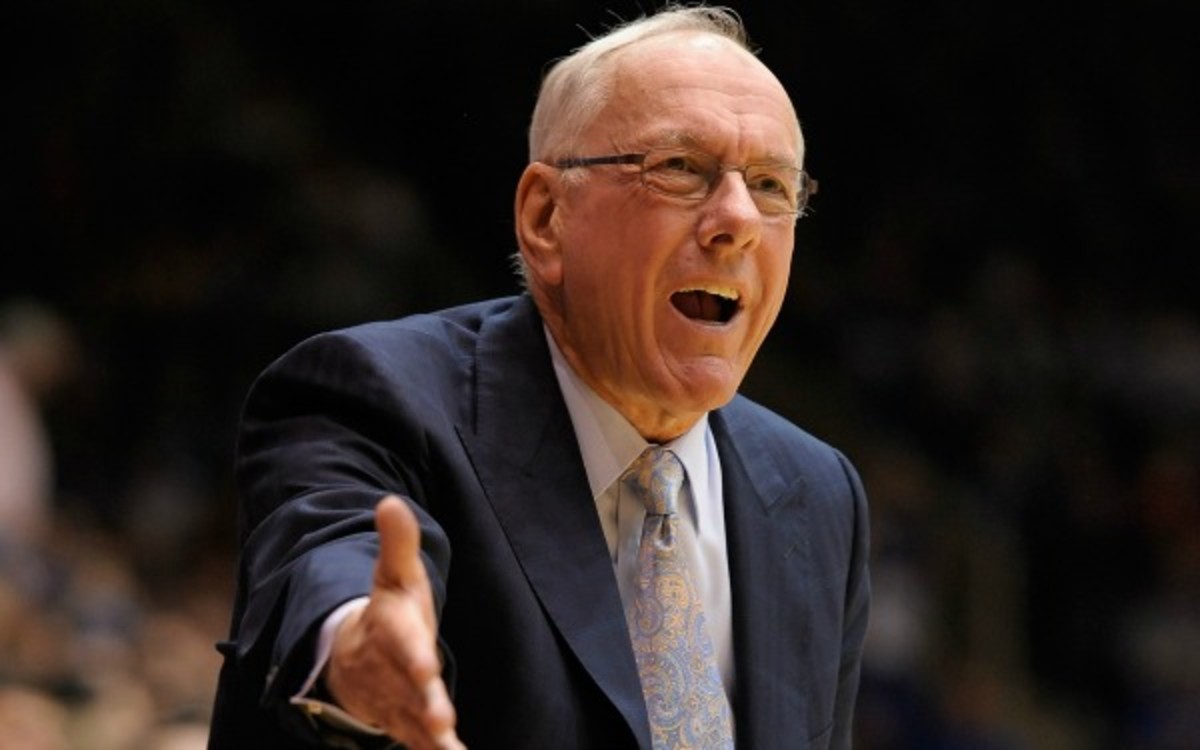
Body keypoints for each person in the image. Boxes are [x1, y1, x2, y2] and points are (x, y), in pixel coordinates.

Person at [210, 5, 870, 749]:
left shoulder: (818, 493)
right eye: (681, 168)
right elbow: (333, 558)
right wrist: (352, 646)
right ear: (547, 215)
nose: (737, 219)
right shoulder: (372, 397)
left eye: (772, 186)